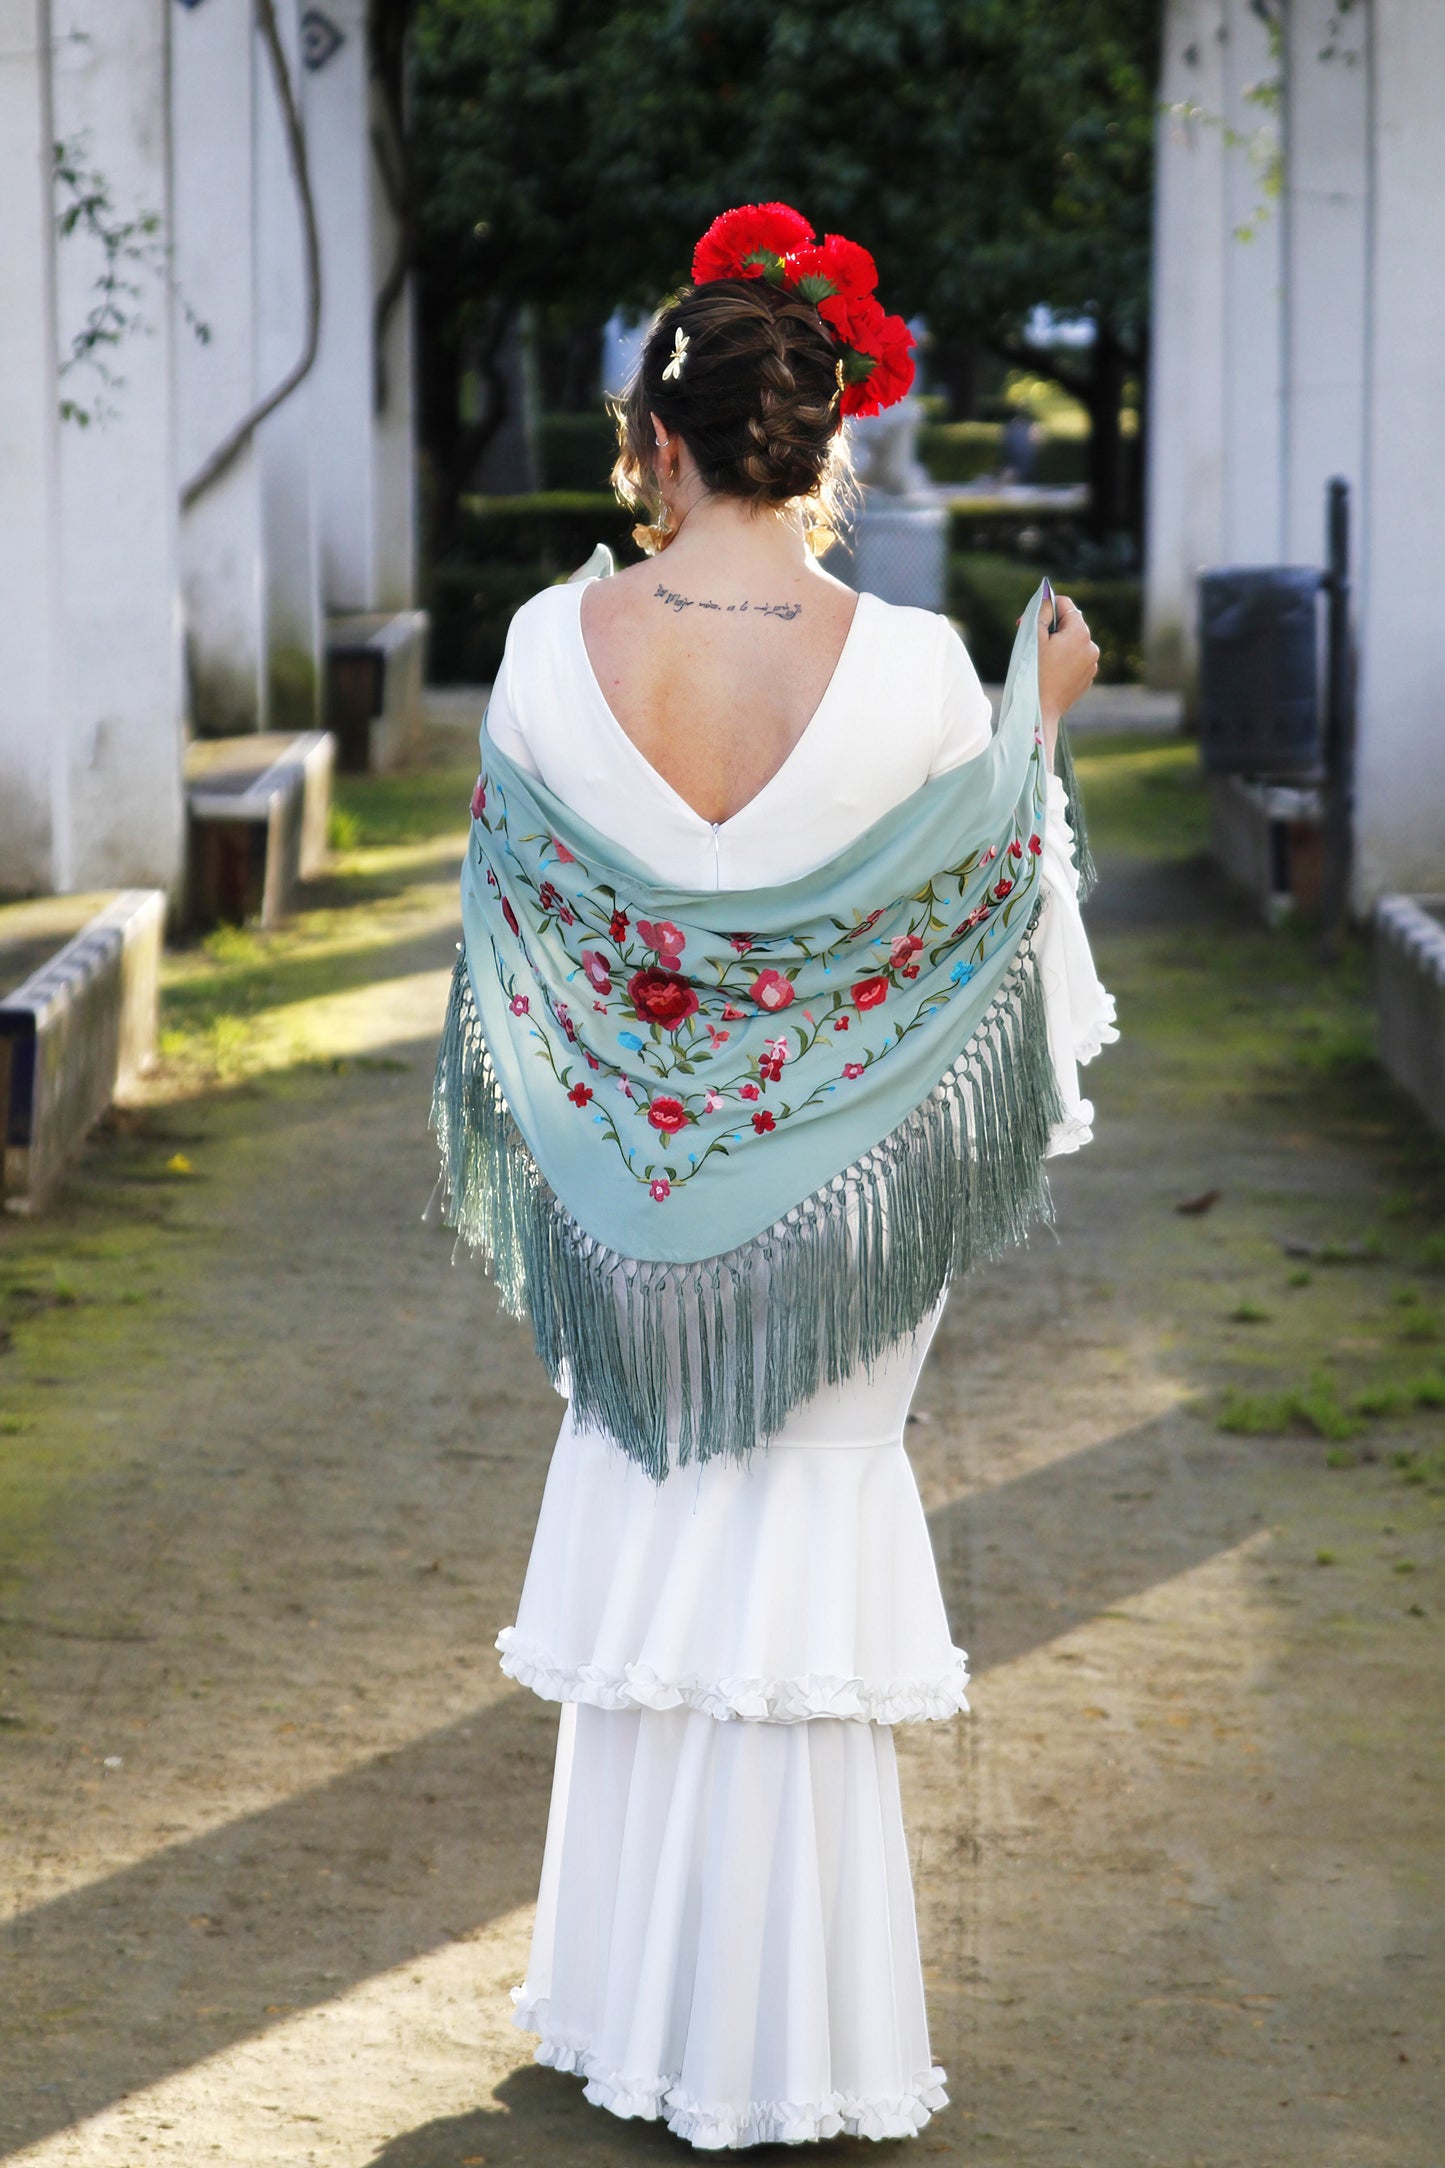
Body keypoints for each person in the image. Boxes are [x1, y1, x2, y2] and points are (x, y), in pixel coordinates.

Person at [432, 203, 1114, 2149]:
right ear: (827, 448)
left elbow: (523, 931)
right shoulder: (909, 666)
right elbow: (988, 901)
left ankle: (625, 2013)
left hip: (628, 1203)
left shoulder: (545, 643)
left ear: (650, 444)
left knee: (665, 1531)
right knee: (789, 1553)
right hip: (833, 1214)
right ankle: (783, 2041)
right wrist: (1033, 730)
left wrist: (628, 1113)